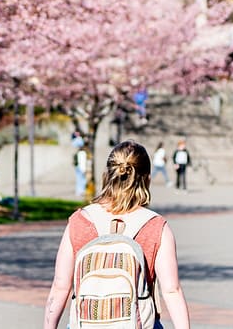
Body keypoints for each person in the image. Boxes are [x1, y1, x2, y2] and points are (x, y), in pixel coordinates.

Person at [43, 140, 190, 329]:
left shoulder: (80, 221)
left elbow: (60, 287)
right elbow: (172, 290)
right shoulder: (155, 226)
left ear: (107, 175)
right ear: (147, 179)